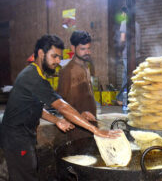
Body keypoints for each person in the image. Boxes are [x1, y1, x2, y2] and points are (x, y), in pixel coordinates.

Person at [0, 34, 120, 181]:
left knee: (28, 171)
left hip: (22, 136)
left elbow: (35, 107)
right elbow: (62, 106)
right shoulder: (33, 78)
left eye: (59, 57)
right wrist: (95, 130)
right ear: (40, 53)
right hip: (16, 139)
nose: (58, 61)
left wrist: (56, 120)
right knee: (25, 176)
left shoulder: (36, 74)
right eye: (54, 56)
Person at [57, 30, 97, 140]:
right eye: (83, 49)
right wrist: (79, 114)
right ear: (73, 48)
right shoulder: (67, 71)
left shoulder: (86, 67)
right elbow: (60, 102)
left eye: (89, 48)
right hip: (76, 129)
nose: (87, 52)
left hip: (91, 125)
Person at [116, 6, 128, 106]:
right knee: (132, 77)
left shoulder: (124, 23)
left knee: (126, 77)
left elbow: (123, 39)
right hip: (136, 55)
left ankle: (121, 98)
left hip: (127, 54)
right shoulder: (137, 24)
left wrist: (119, 50)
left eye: (122, 13)